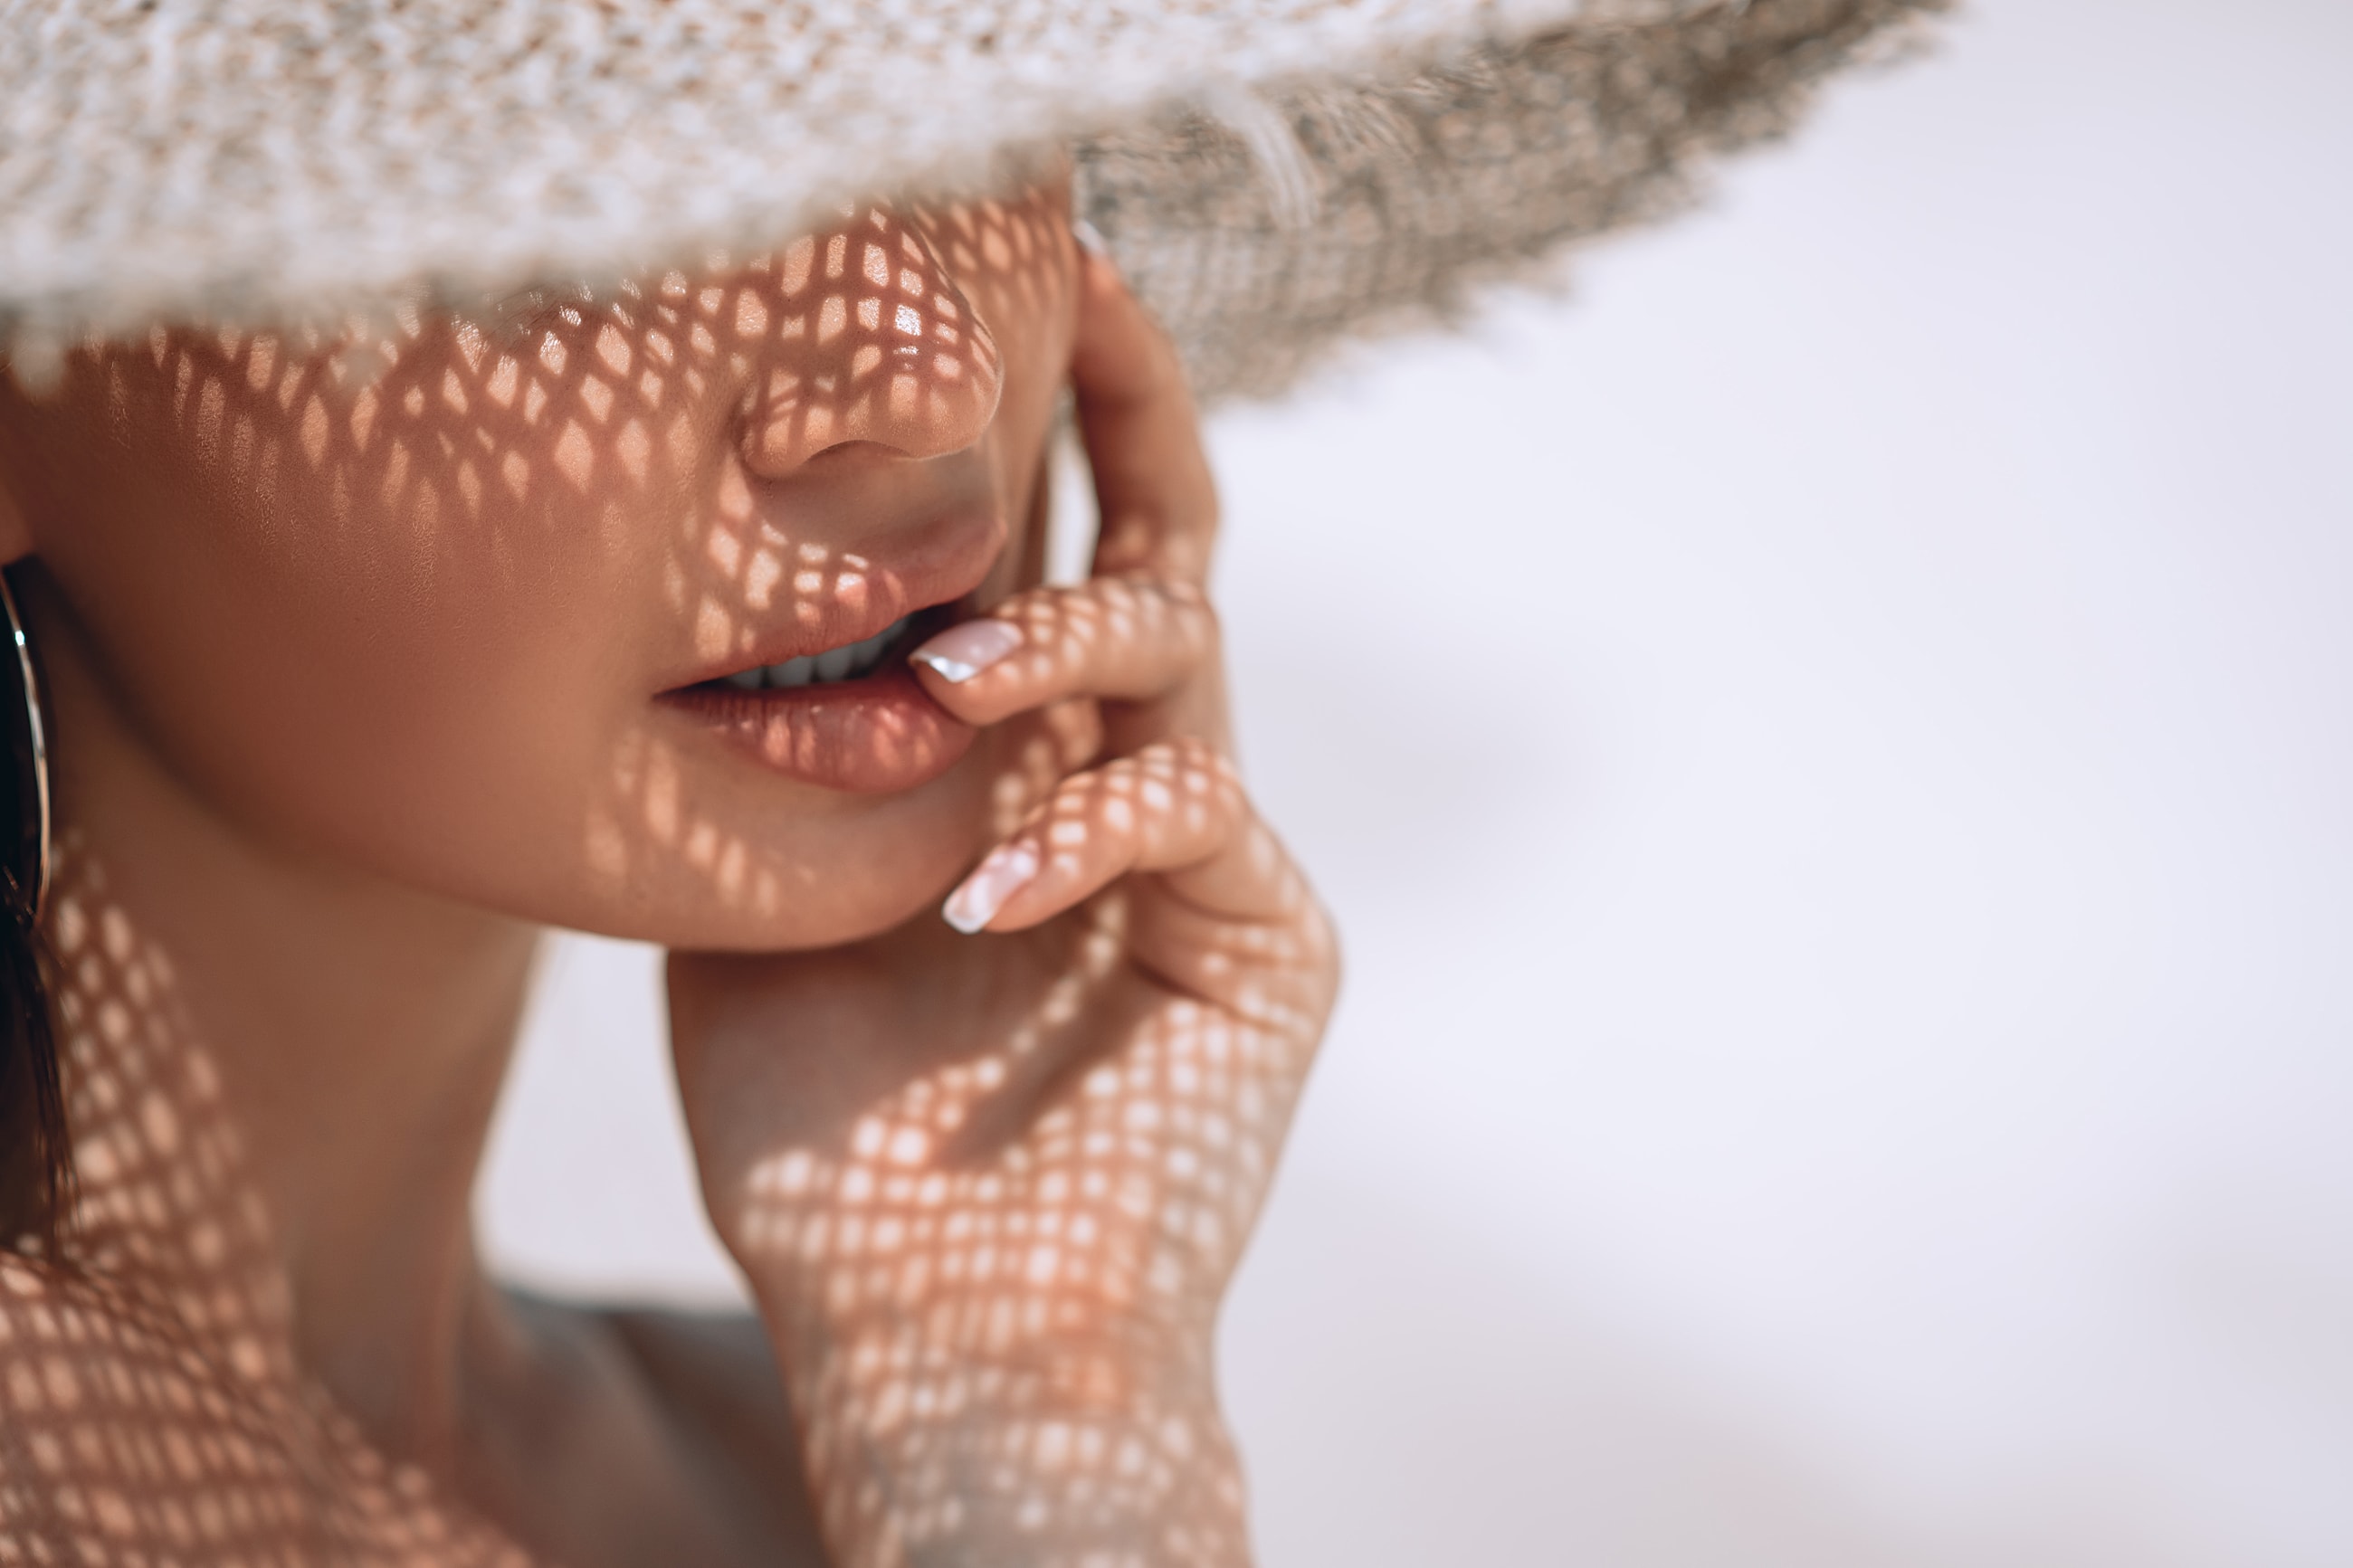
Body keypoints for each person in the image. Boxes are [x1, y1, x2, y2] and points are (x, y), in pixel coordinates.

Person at [0, 2, 1939, 1561]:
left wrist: (1036, 1413)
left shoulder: (815, 1478)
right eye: (620, 197)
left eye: (954, 125)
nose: (918, 382)